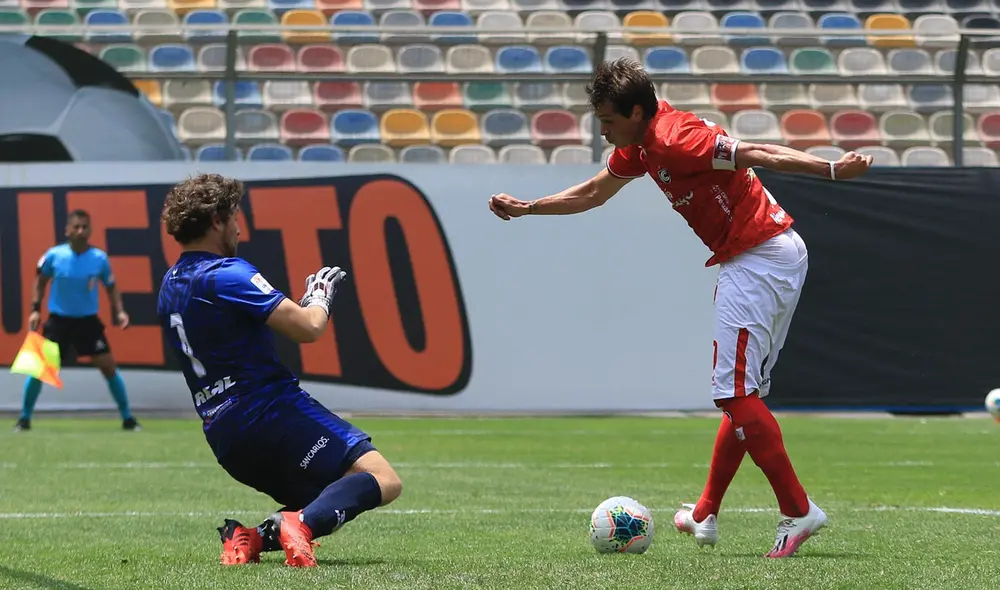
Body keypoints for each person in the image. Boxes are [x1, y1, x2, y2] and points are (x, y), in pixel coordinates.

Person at [488, 59, 873, 559]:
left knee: (734, 394)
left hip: (758, 257)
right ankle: (704, 513)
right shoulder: (642, 145)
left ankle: (798, 510)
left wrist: (829, 169)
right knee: (743, 394)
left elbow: (755, 152)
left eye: (608, 122)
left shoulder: (675, 138)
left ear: (635, 111)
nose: (604, 132)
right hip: (765, 255)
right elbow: (592, 193)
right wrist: (529, 207)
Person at [156, 173, 402, 568]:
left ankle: (248, 538)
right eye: (235, 216)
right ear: (217, 220)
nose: (239, 226)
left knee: (336, 494)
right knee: (383, 480)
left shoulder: (169, 283)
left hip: (225, 438)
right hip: (269, 412)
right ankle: (298, 523)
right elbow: (307, 327)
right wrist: (318, 296)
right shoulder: (226, 273)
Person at [15, 209, 140, 432]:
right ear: (68, 230)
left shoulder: (99, 259)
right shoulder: (54, 256)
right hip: (58, 322)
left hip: (87, 323)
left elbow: (111, 288)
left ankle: (128, 418)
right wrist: (35, 310)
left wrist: (119, 311)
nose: (81, 231)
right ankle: (24, 419)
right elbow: (40, 282)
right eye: (76, 227)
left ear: (90, 230)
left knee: (108, 367)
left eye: (85, 227)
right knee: (39, 370)